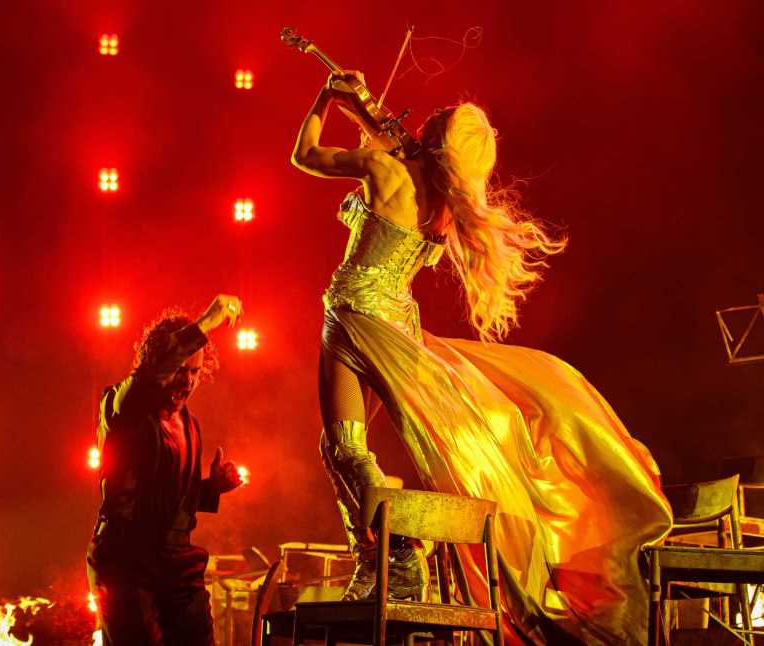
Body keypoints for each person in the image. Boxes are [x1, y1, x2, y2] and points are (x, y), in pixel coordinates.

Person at [291, 70, 672, 644]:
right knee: (343, 449)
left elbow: (305, 155)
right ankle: (383, 561)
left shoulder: (383, 169)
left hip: (351, 318)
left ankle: (395, 561)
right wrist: (366, 111)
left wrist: (328, 98)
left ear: (434, 136)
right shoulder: (446, 205)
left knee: (343, 449)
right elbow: (407, 150)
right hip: (400, 329)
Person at [86, 294, 245, 646]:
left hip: (178, 563)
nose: (186, 381)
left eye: (194, 371)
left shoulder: (190, 424)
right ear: (158, 362)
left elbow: (173, 500)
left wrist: (211, 487)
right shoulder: (122, 403)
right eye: (178, 369)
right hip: (127, 559)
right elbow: (148, 378)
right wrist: (204, 323)